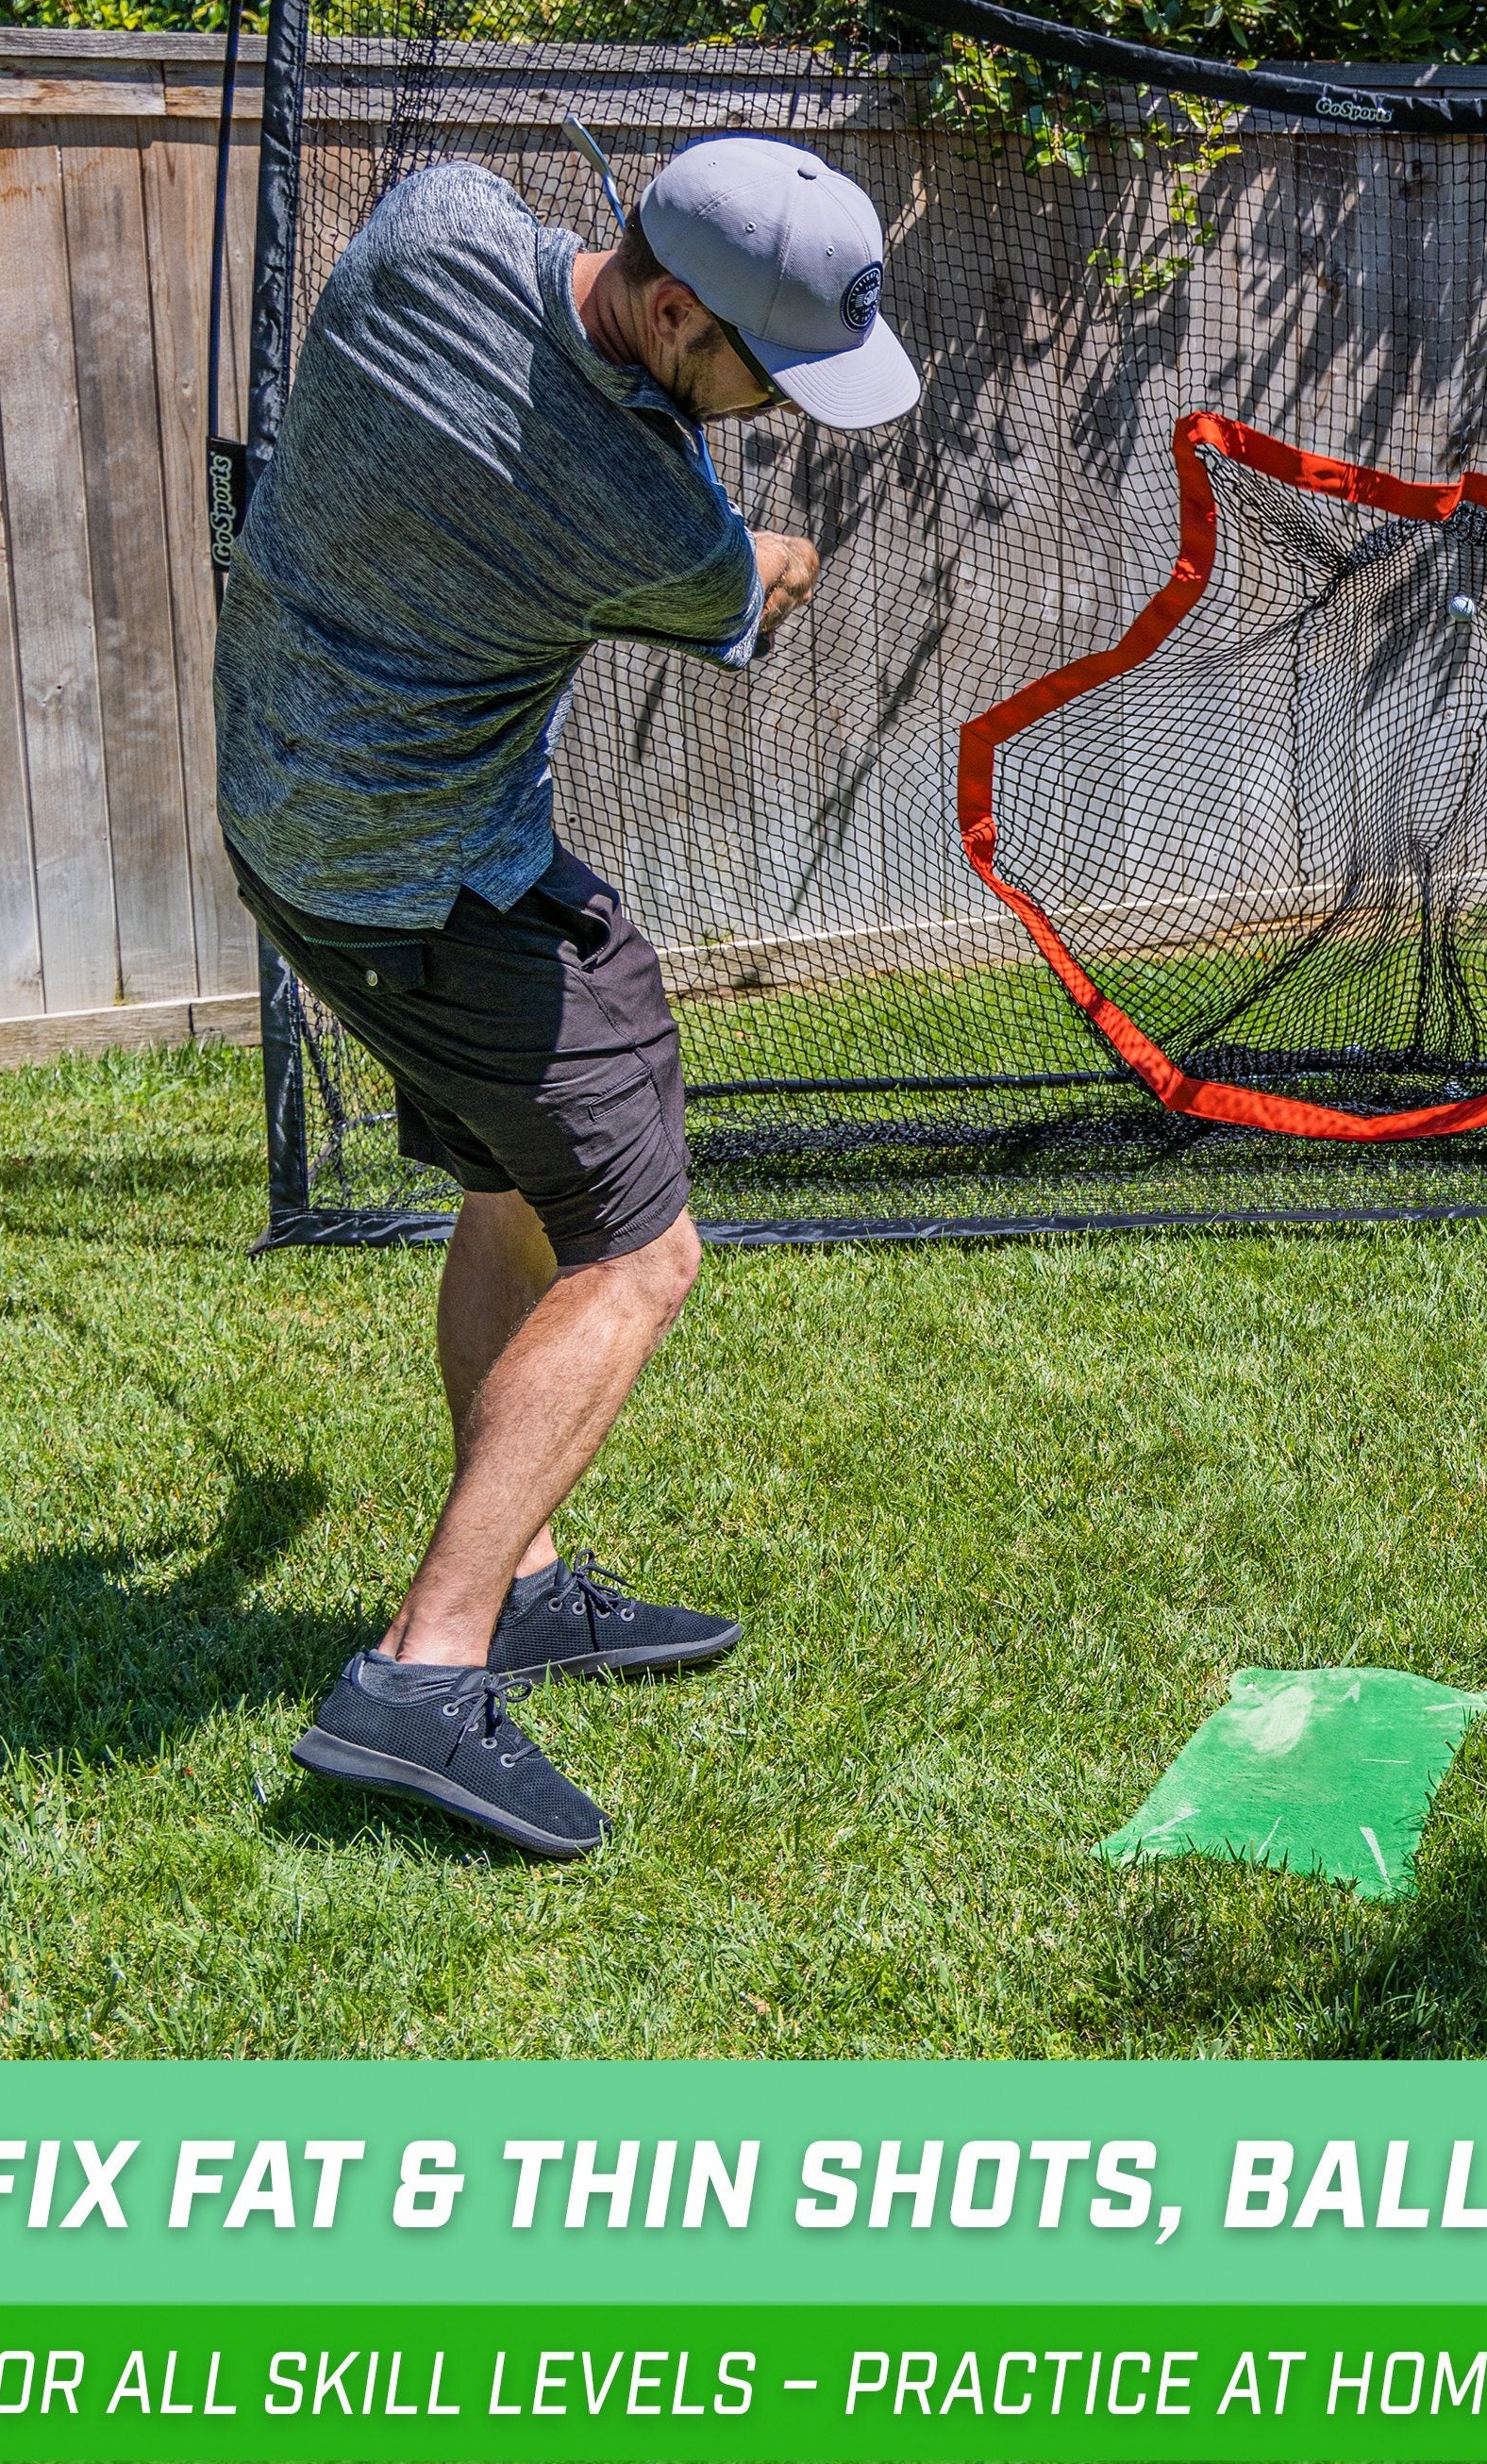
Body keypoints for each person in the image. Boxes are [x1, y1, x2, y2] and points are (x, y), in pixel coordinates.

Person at [215, 133, 919, 1859]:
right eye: (771, 375)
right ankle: (423, 1670)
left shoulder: (436, 220)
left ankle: (517, 1584)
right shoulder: (651, 521)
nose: (782, 409)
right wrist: (780, 546)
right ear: (678, 313)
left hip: (289, 829)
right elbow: (753, 585)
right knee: (641, 1246)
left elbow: (514, 287)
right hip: (432, 884)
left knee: (510, 1188)